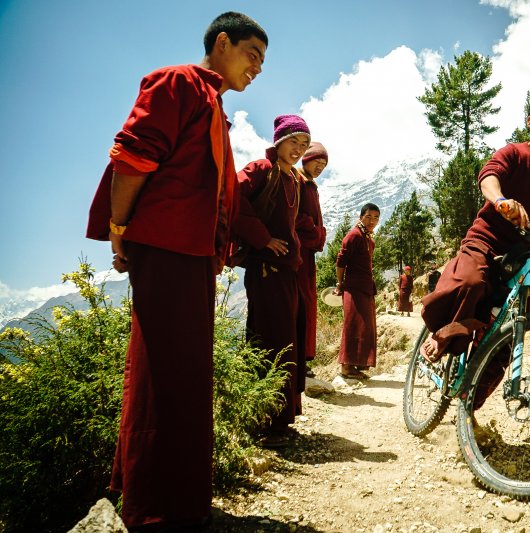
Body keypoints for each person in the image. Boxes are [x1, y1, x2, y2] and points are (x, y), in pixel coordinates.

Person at [84, 12, 267, 529]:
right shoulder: (177, 83)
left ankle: (179, 499)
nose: (257, 69)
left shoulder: (214, 105)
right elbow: (133, 157)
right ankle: (154, 509)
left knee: (185, 375)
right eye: (252, 55)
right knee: (161, 373)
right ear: (222, 42)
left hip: (190, 258)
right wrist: (120, 226)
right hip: (165, 251)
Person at [421, 94, 530, 363]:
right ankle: (440, 335)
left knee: (512, 327)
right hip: (485, 240)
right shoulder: (513, 153)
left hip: (521, 256)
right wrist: (501, 200)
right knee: (470, 281)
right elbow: (489, 177)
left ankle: (471, 398)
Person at [234, 115, 310, 448]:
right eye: (293, 142)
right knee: (271, 342)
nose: (298, 149)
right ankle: (266, 421)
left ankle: (282, 417)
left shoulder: (293, 178)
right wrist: (263, 238)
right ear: (279, 141)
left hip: (286, 273)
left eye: (304, 145)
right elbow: (232, 198)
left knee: (287, 340)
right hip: (266, 271)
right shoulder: (261, 169)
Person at [334, 203, 380, 379]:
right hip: (353, 288)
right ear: (361, 217)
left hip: (365, 287)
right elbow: (341, 262)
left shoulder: (367, 237)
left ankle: (356, 365)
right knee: (353, 326)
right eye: (368, 217)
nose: (372, 221)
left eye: (376, 218)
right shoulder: (353, 236)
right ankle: (346, 368)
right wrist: (340, 283)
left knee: (364, 327)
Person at [295, 142, 328, 378]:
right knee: (298, 305)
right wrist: (317, 233)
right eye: (318, 161)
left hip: (307, 256)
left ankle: (303, 358)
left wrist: (319, 234)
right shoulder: (297, 181)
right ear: (306, 158)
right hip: (297, 253)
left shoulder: (310, 185)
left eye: (324, 165)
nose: (320, 167)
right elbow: (297, 217)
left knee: (307, 305)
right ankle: (295, 358)